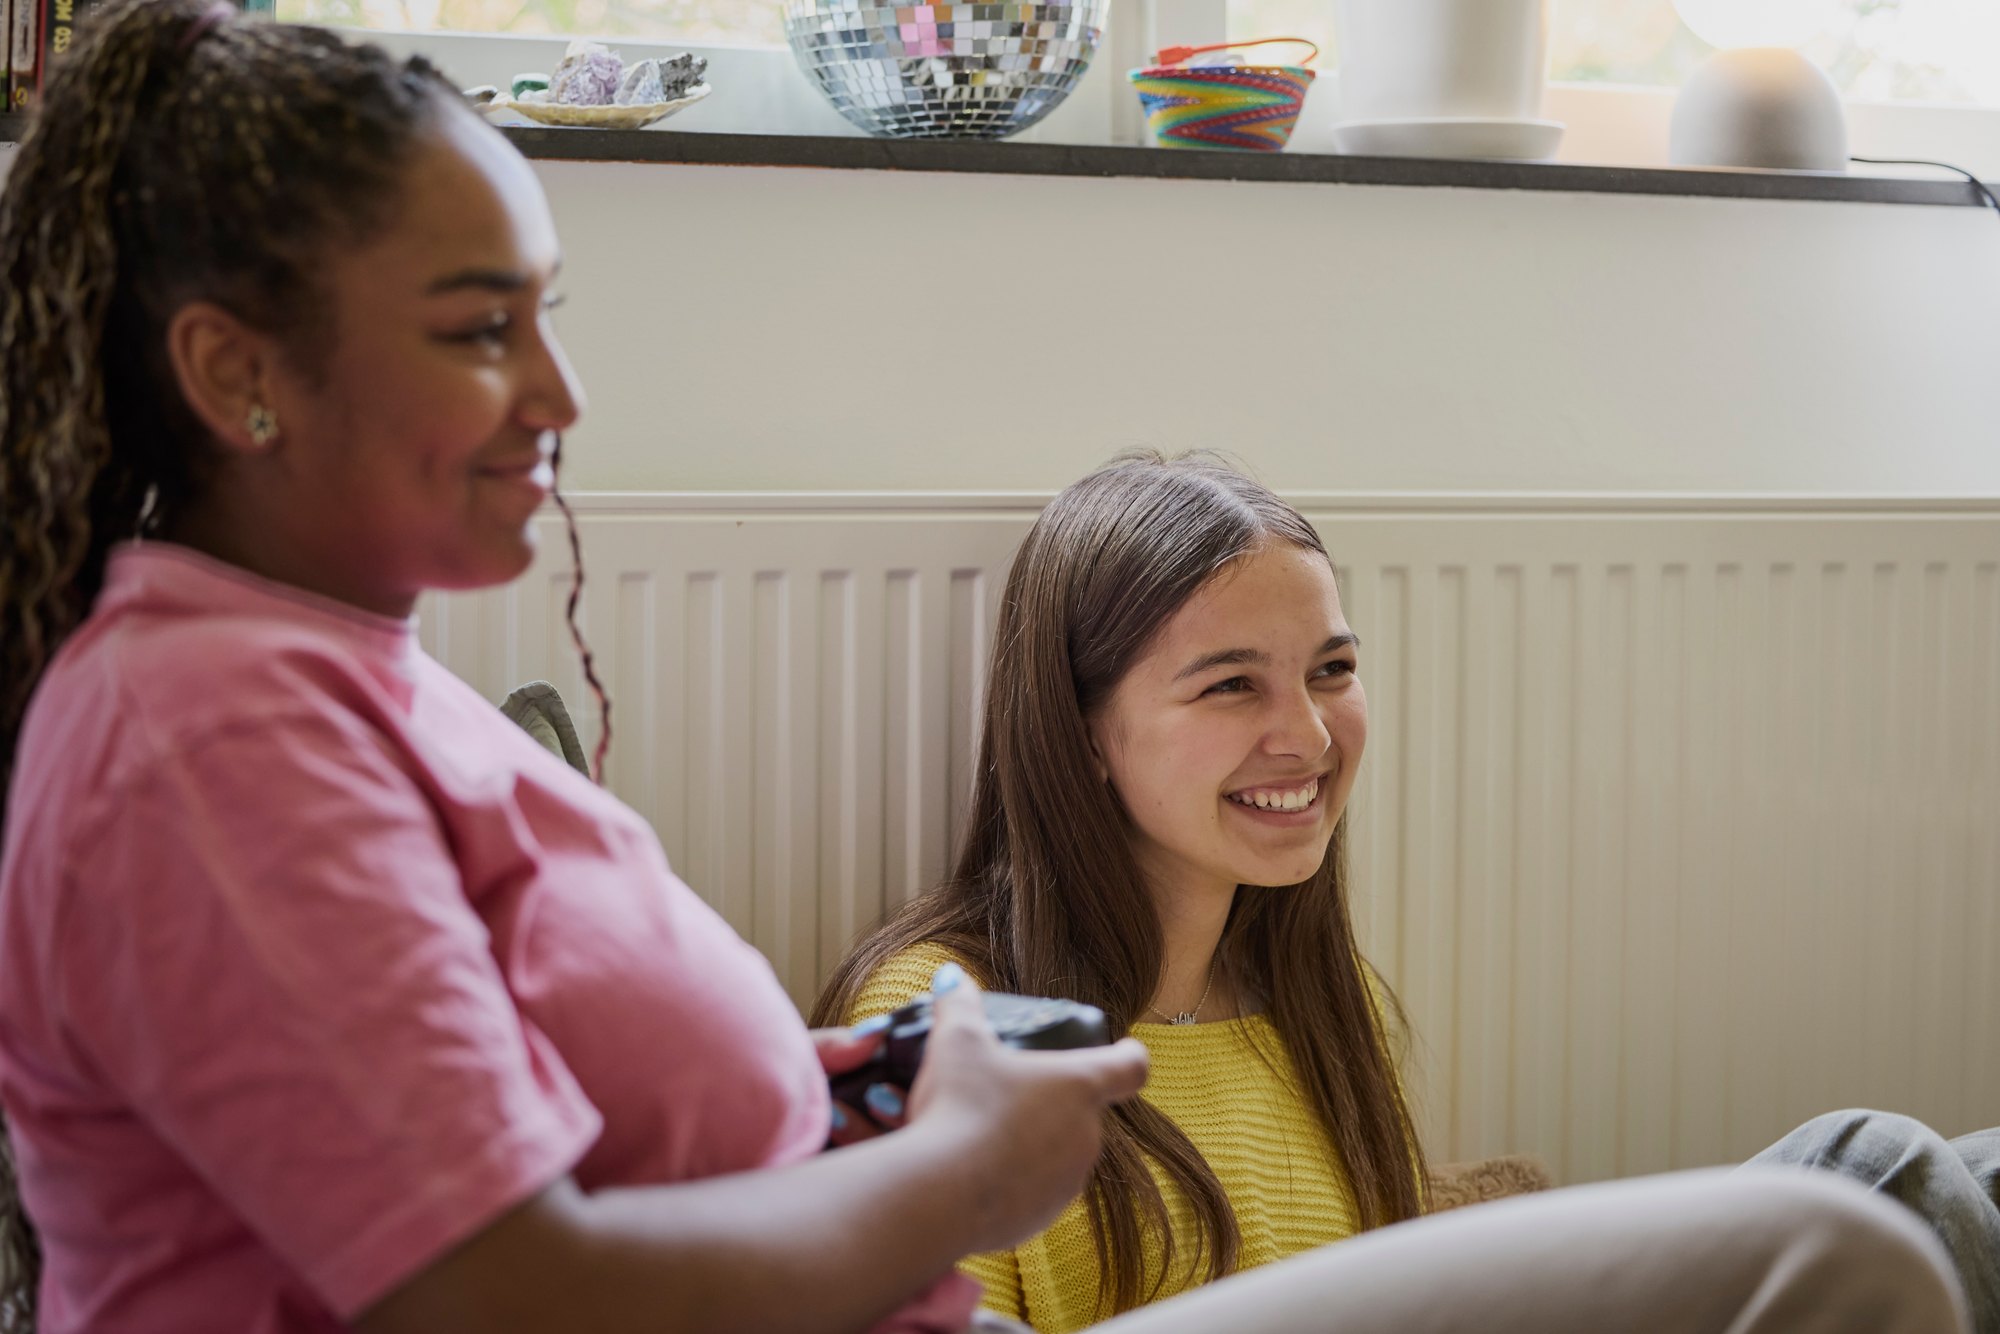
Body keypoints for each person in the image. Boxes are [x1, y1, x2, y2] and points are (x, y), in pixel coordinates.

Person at [0, 5, 1970, 1333]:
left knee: (1890, 1188)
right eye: (473, 328)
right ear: (235, 371)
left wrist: (855, 1085)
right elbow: (487, 1287)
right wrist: (948, 1173)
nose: (559, 393)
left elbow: (567, 1137)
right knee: (1830, 1243)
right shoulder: (202, 734)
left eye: (548, 316)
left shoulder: (343, 681)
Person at [816, 452, 1999, 1334]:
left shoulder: (1321, 1007)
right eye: (1230, 685)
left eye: (1330, 669)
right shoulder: (943, 1014)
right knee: (1874, 1165)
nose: (1308, 732)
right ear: (1079, 735)